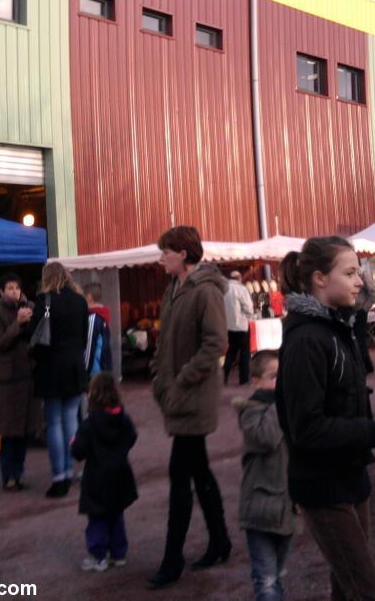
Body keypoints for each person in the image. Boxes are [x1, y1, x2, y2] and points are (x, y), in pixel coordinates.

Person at [276, 236, 375, 601]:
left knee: (349, 588)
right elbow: (307, 428)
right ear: (319, 278)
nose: (360, 281)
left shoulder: (339, 330)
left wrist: (357, 316)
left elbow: (351, 393)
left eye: (359, 273)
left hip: (351, 476)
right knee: (366, 591)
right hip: (323, 484)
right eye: (350, 273)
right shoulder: (308, 341)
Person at [148, 225, 231, 590]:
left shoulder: (205, 292)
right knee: (198, 471)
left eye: (166, 251)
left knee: (181, 476)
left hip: (194, 396)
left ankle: (172, 559)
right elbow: (166, 340)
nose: (161, 257)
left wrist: (182, 378)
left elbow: (216, 344)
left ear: (183, 253)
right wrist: (157, 372)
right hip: (177, 393)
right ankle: (220, 540)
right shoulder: (174, 290)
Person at [233, 350, 295, 601]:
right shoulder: (251, 412)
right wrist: (281, 402)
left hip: (287, 508)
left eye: (283, 377)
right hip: (259, 508)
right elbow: (266, 438)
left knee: (277, 574)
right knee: (267, 580)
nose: (279, 383)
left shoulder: (290, 410)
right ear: (255, 381)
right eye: (273, 377)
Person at [28, 261, 89, 498]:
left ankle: (59, 476)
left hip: (50, 367)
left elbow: (35, 338)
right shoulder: (80, 301)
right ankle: (73, 468)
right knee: (71, 419)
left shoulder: (44, 302)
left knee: (53, 422)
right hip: (74, 365)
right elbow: (84, 336)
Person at [71, 372, 138, 572]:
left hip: (97, 476)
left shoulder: (90, 423)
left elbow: (79, 451)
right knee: (116, 515)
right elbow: (132, 437)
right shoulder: (123, 418)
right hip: (119, 473)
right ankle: (118, 553)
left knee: (97, 518)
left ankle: (98, 555)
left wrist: (74, 444)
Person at [0, 274, 42, 492]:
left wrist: (36, 317)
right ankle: (8, 476)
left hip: (27, 375)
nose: (14, 292)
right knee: (9, 431)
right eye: (9, 288)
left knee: (23, 431)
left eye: (17, 288)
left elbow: (40, 331)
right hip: (8, 380)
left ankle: (19, 474)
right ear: (1, 292)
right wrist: (17, 324)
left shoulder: (30, 306)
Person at [223, 270, 255, 385]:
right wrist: (249, 315)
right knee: (245, 353)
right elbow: (248, 308)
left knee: (231, 351)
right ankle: (244, 379)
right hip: (241, 326)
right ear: (239, 278)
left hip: (229, 326)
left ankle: (223, 376)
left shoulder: (224, 289)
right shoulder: (241, 289)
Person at [83, 283, 112, 378]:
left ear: (88, 298)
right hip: (103, 369)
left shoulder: (92, 318)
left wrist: (84, 372)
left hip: (93, 372)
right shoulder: (103, 317)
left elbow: (89, 347)